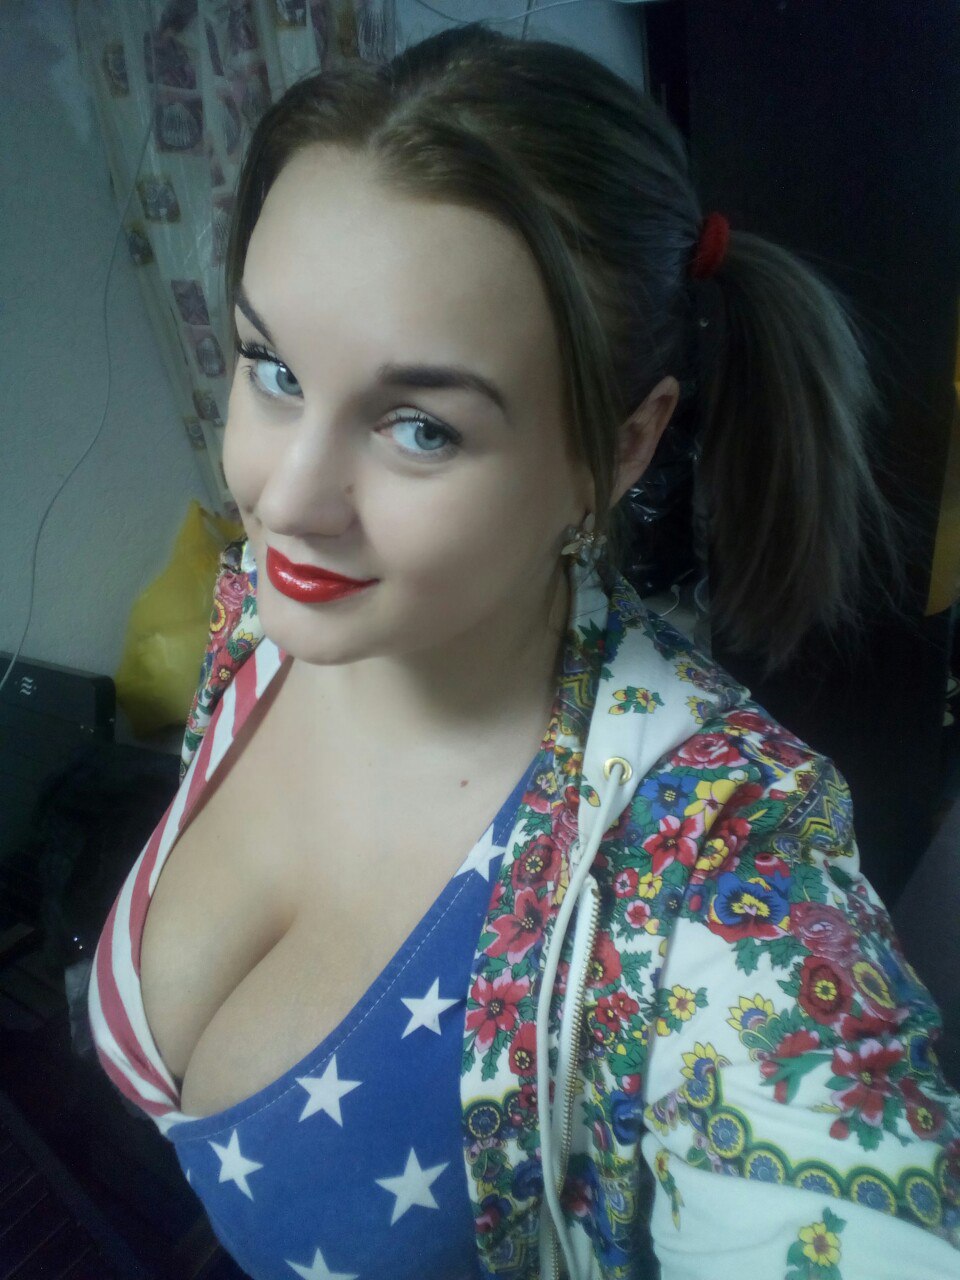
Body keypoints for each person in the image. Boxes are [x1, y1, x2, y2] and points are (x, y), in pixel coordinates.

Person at [87, 21, 960, 1280]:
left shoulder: (714, 864)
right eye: (273, 368)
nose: (285, 498)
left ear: (621, 446)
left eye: (421, 428)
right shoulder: (266, 614)